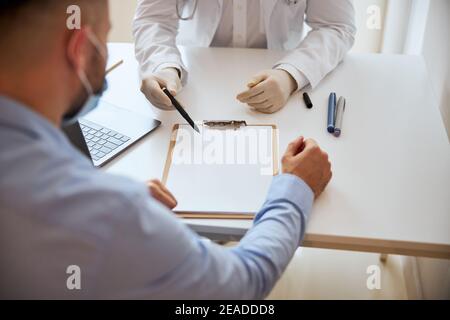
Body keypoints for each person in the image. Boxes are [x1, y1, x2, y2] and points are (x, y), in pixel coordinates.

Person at [0, 0, 332, 299]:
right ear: (81, 49)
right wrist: (295, 186)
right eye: (105, 39)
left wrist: (291, 74)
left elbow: (336, 24)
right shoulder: (113, 211)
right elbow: (242, 284)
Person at [134, 0, 356, 113]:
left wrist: (290, 75)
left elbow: (336, 25)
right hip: (195, 90)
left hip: (283, 93)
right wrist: (164, 66)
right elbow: (153, 20)